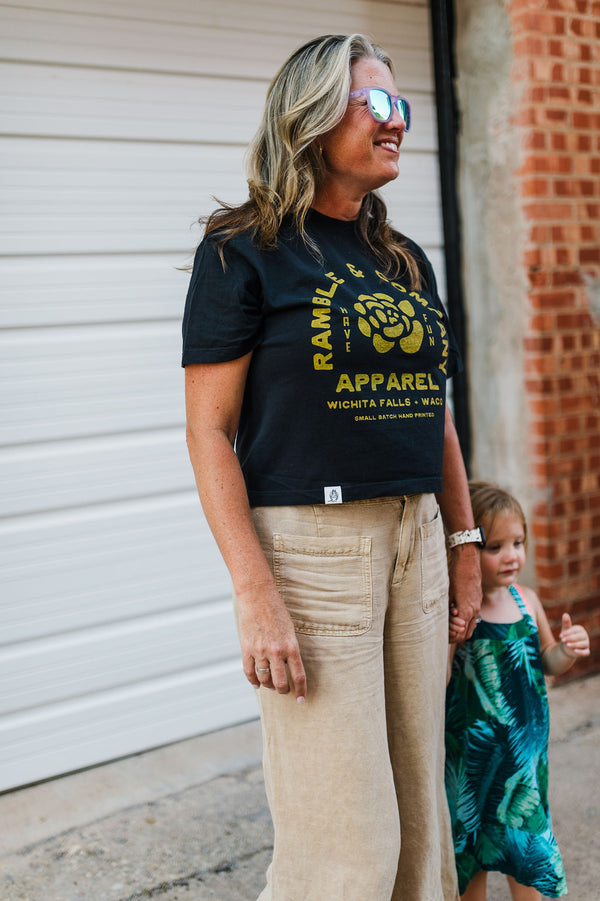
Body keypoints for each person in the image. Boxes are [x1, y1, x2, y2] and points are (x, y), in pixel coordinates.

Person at [182, 33, 482, 901]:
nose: (396, 125)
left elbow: (438, 413)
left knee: (423, 820)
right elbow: (210, 432)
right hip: (310, 553)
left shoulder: (404, 258)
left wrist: (463, 542)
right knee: (343, 838)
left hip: (416, 538)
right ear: (311, 118)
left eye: (402, 108)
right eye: (376, 105)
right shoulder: (244, 249)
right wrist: (254, 590)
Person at [445, 481, 591, 900]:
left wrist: (567, 650)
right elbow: (443, 678)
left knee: (523, 847)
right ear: (467, 553)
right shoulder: (458, 608)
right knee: (470, 848)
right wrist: (453, 636)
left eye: (518, 542)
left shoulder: (527, 601)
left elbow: (546, 662)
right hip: (472, 761)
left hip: (523, 763)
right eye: (495, 547)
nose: (511, 555)